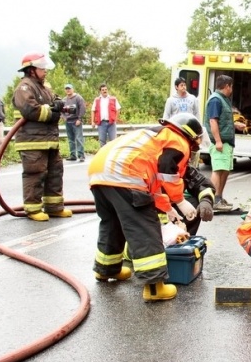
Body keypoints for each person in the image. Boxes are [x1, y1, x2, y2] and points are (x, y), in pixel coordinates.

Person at [88, 112, 204, 302]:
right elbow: (168, 171)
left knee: (112, 223)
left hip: (99, 173)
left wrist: (169, 209)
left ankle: (106, 270)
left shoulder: (155, 136)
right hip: (125, 175)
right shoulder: (178, 141)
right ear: (191, 136)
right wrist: (180, 201)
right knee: (144, 227)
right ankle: (154, 287)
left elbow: (153, 185)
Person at [12, 52, 72, 222]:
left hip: (50, 140)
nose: (45, 71)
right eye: (41, 68)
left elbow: (55, 102)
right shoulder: (24, 87)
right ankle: (33, 208)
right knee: (35, 174)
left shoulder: (45, 87)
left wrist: (59, 105)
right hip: (32, 142)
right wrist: (52, 113)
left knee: (55, 172)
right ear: (31, 70)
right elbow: (30, 110)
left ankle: (54, 207)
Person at [203, 74, 245, 212]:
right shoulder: (215, 100)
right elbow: (213, 121)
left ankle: (219, 197)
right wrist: (218, 141)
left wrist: (235, 124)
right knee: (218, 169)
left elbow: (222, 119)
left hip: (227, 142)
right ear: (227, 86)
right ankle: (213, 199)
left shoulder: (223, 99)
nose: (232, 89)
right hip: (220, 142)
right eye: (231, 86)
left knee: (225, 170)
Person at [164, 77, 209, 166]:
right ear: (176, 87)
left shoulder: (193, 99)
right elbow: (166, 115)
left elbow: (197, 114)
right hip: (176, 130)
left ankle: (192, 166)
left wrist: (199, 131)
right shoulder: (171, 100)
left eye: (184, 85)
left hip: (190, 130)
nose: (184, 87)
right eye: (181, 85)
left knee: (191, 150)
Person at [90, 84, 121, 148]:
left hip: (111, 123)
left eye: (106, 89)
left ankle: (113, 156)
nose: (104, 91)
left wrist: (115, 119)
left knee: (113, 140)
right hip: (101, 123)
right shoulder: (97, 100)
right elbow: (93, 110)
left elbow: (118, 109)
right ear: (100, 91)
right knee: (102, 140)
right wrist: (92, 121)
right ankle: (103, 156)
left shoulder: (113, 99)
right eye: (103, 90)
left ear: (107, 90)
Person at [62, 84, 86, 162]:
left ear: (73, 89)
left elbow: (82, 108)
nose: (68, 90)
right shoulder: (64, 100)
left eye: (69, 88)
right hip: (68, 121)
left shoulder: (78, 98)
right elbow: (61, 110)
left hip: (76, 121)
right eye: (66, 89)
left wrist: (79, 119)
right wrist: (63, 117)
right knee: (70, 139)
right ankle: (73, 155)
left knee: (79, 138)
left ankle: (81, 155)